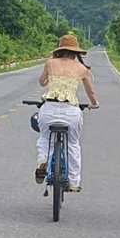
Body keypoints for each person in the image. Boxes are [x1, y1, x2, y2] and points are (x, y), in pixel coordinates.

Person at [32, 33, 99, 191]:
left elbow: (42, 83)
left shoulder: (50, 63)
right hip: (71, 112)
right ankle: (74, 182)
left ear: (59, 49)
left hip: (48, 109)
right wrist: (94, 104)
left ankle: (42, 159)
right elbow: (91, 93)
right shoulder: (82, 69)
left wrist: (52, 78)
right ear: (76, 52)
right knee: (73, 144)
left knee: (44, 137)